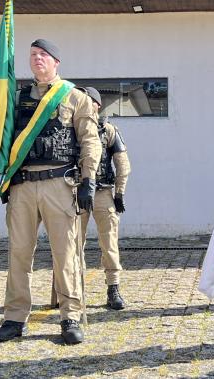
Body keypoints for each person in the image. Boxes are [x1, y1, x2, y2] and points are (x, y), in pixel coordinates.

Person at [0, 39, 101, 345]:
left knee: (65, 254)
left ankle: (70, 317)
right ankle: (14, 318)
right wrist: (1, 176)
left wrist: (88, 180)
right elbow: (3, 138)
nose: (37, 59)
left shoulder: (74, 97)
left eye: (43, 55)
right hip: (23, 185)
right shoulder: (17, 99)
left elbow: (90, 140)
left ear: (56, 62)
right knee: (18, 253)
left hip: (59, 184)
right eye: (33, 55)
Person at [80, 87, 131, 310]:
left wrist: (119, 192)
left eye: (87, 100)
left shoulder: (108, 130)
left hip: (102, 192)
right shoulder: (71, 128)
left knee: (109, 242)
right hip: (75, 192)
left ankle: (113, 288)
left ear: (97, 105)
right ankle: (73, 290)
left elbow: (123, 163)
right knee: (71, 244)